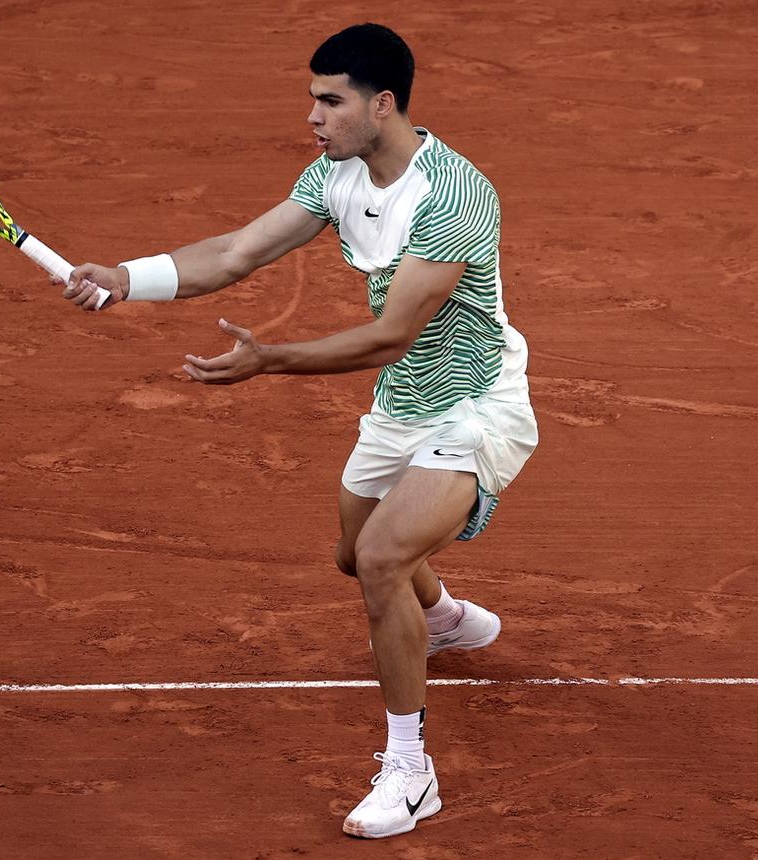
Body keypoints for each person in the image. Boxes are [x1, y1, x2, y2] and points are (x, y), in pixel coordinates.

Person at [60, 22, 538, 840]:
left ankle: (410, 773)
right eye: (312, 98)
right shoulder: (336, 175)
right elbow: (239, 252)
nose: (313, 116)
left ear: (382, 105)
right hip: (402, 403)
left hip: (475, 404)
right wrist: (126, 278)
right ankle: (448, 620)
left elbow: (392, 331)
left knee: (384, 557)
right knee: (356, 558)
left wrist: (269, 361)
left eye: (330, 100)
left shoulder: (455, 196)